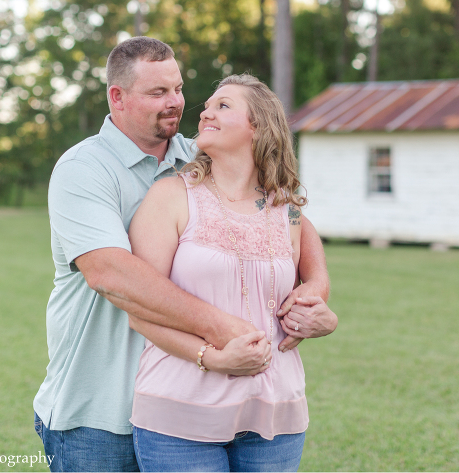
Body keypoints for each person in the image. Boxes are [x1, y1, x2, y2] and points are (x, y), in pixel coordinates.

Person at [33, 37, 337, 472]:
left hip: (196, 402)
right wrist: (225, 332)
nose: (176, 102)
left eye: (177, 89)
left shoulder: (196, 158)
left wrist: (316, 292)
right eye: (158, 93)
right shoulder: (84, 169)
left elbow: (288, 221)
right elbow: (111, 275)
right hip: (98, 412)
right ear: (117, 97)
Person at [127, 74, 325, 472]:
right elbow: (139, 310)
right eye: (207, 105)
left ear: (258, 127)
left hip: (275, 415)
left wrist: (319, 312)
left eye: (223, 105)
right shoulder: (171, 197)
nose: (205, 111)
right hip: (180, 414)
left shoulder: (286, 209)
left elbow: (315, 281)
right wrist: (211, 358)